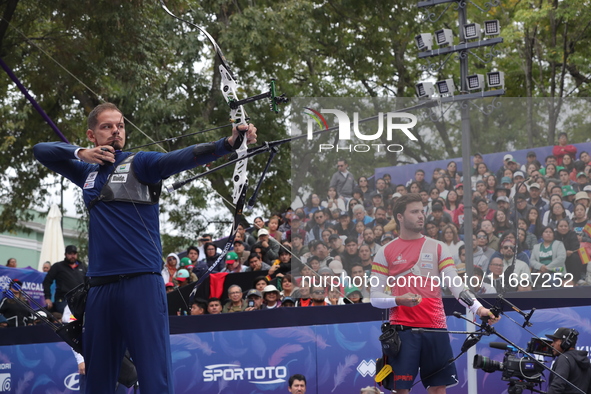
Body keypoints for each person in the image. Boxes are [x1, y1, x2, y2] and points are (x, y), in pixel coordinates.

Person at [33, 102, 256, 393]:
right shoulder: (86, 173)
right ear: (91, 135)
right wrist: (80, 153)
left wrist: (226, 144)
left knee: (154, 375)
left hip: (141, 283)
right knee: (97, 378)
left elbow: (180, 158)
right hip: (99, 289)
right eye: (107, 126)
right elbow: (41, 150)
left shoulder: (141, 163)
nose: (116, 131)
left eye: (120, 125)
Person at [370, 193, 498, 394]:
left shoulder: (439, 247)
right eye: (414, 212)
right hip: (402, 331)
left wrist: (478, 308)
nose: (421, 216)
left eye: (422, 211)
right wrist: (398, 300)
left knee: (438, 388)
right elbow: (375, 298)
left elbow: (456, 285)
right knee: (401, 390)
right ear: (400, 217)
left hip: (435, 327)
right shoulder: (385, 251)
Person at [43, 245, 88, 315]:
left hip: (80, 301)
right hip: (63, 300)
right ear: (65, 254)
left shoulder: (83, 267)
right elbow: (47, 281)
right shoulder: (58, 266)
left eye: (74, 254)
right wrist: (47, 298)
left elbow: (88, 283)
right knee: (69, 318)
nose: (72, 256)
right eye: (70, 254)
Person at [545, 327, 591, 394]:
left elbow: (557, 387)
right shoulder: (586, 360)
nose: (552, 344)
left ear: (565, 342)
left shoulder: (563, 359)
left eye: (555, 340)